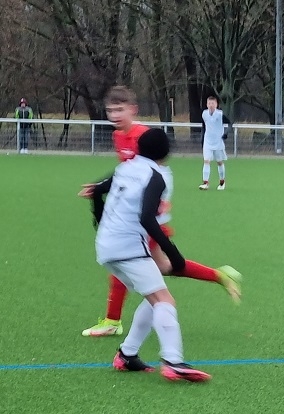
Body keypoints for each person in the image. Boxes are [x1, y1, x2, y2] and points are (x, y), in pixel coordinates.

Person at [79, 85, 241, 338]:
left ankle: (113, 321)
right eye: (110, 110)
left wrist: (151, 204)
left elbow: (154, 171)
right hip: (136, 214)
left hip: (148, 215)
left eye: (120, 109)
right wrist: (100, 187)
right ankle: (218, 275)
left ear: (132, 110)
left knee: (128, 261)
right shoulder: (118, 136)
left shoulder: (143, 136)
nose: (114, 115)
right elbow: (127, 172)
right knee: (163, 266)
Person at [90, 128, 211, 382]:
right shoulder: (156, 177)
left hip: (106, 245)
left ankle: (127, 354)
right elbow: (147, 218)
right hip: (128, 247)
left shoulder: (126, 167)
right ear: (165, 153)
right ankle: (173, 361)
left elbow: (96, 190)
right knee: (164, 300)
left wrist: (101, 221)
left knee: (153, 297)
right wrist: (174, 255)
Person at [199, 94, 230, 190]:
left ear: (216, 104)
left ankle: (222, 182)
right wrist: (202, 138)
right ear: (207, 104)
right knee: (206, 161)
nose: (211, 105)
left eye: (212, 103)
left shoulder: (220, 114)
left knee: (219, 162)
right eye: (209, 103)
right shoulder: (204, 114)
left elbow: (229, 123)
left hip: (218, 142)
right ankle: (205, 183)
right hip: (208, 141)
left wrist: (226, 133)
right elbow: (204, 127)